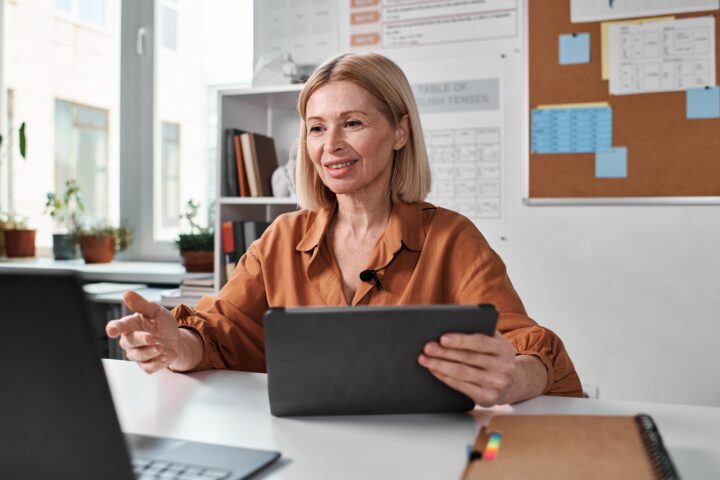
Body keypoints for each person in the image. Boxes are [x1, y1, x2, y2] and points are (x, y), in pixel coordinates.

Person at [107, 52, 582, 407]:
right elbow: (220, 335)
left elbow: (531, 349)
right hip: (306, 456)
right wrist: (177, 345)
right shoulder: (281, 239)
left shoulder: (451, 238)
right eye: (316, 128)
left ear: (400, 132)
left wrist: (513, 379)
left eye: (352, 122)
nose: (331, 145)